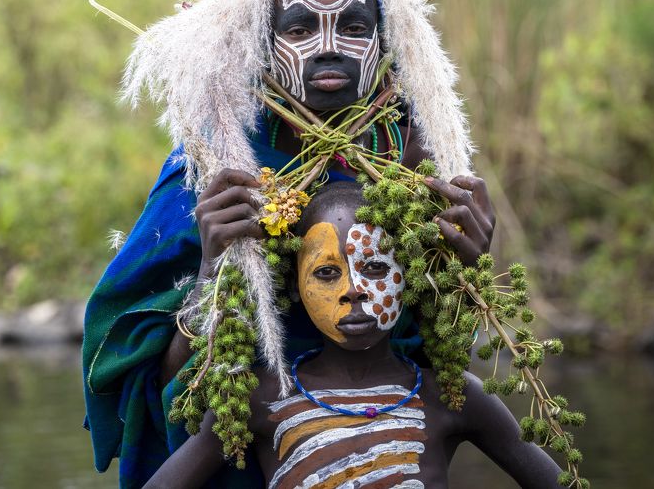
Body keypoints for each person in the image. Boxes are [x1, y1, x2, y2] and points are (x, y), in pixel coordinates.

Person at [82, 0, 497, 488]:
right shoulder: (218, 163)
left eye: (353, 26)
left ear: (386, 43)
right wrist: (213, 273)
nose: (329, 48)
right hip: (239, 442)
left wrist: (466, 271)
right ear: (264, 47)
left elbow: (435, 361)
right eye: (300, 28)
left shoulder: (414, 153)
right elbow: (155, 380)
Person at [143, 182, 559, 489]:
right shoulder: (260, 398)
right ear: (294, 289)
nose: (353, 289)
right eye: (326, 273)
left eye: (376, 267)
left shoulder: (451, 396)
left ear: (409, 276)